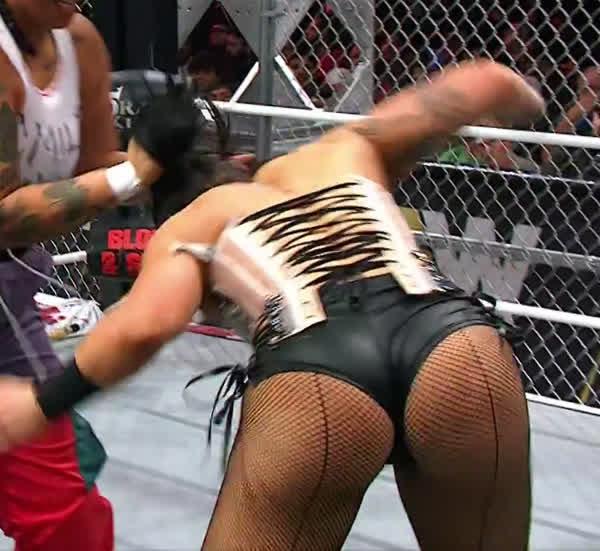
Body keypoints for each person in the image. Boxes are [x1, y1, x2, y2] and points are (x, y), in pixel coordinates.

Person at [0, 59, 544, 551]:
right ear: (239, 157)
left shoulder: (192, 224)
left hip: (320, 371)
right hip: (453, 344)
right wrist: (526, 101)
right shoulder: (344, 146)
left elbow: (146, 326)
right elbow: (486, 81)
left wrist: (43, 404)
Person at [0, 0, 201, 549]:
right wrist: (135, 173)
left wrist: (182, 172)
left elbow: (93, 168)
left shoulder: (78, 40)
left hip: (10, 301)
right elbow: (5, 216)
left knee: (63, 506)